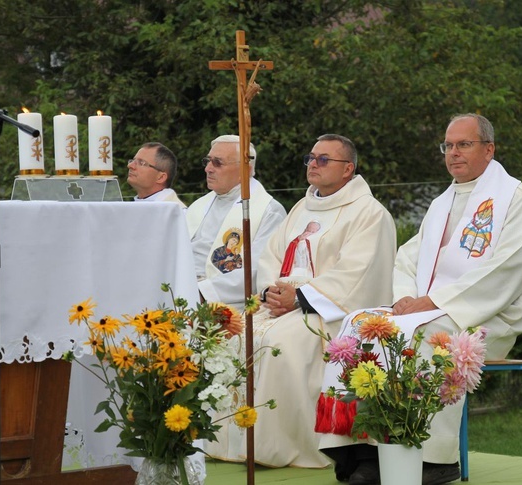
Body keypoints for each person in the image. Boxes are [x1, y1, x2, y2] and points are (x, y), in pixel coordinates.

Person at [317, 114, 522, 485]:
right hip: (432, 309)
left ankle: (434, 460)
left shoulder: (515, 198)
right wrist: (407, 298)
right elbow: (409, 256)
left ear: (489, 149)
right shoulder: (444, 200)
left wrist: (435, 302)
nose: (453, 153)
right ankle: (365, 450)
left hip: (488, 315)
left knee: (429, 337)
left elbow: (509, 267)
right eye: (448, 146)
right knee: (361, 324)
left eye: (463, 144)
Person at [204, 134, 397, 468]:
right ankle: (228, 443)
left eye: (324, 159)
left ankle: (279, 445)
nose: (313, 164)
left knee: (279, 343)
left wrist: (302, 297)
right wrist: (270, 292)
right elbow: (270, 257)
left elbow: (357, 273)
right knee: (233, 333)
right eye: (311, 158)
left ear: (348, 168)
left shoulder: (369, 213)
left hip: (332, 311)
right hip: (283, 303)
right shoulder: (301, 207)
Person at [187, 135, 286, 310]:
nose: (208, 169)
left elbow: (258, 270)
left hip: (224, 304)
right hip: (180, 290)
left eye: (217, 163)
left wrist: (201, 292)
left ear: (245, 170)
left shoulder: (269, 211)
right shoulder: (199, 205)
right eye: (208, 161)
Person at [127, 142, 186, 206]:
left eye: (142, 163)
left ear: (161, 177)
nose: (130, 165)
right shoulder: (133, 207)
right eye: (133, 160)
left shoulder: (174, 212)